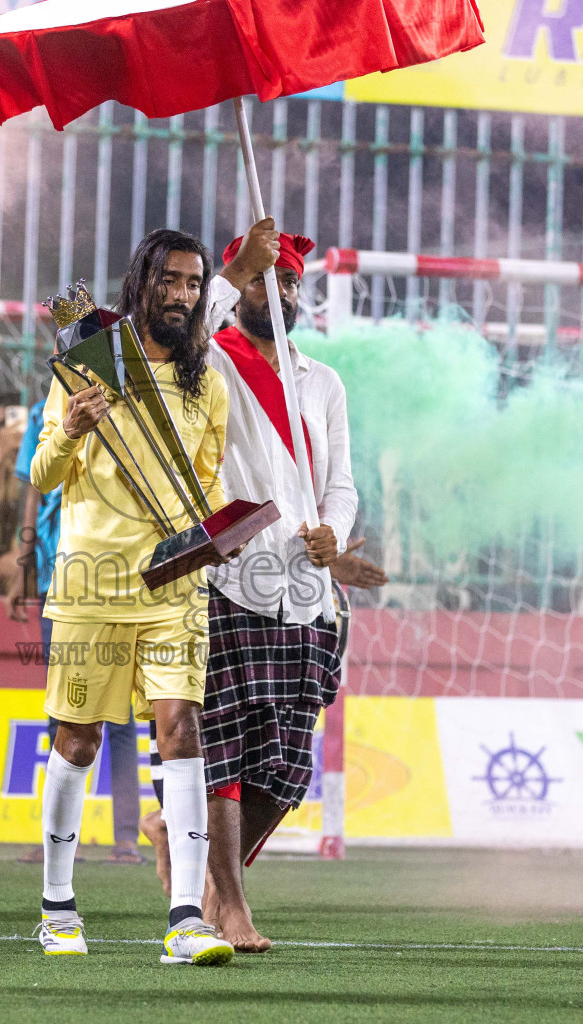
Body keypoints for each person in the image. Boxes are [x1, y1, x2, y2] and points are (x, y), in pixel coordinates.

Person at [30, 229, 236, 966]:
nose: (182, 296)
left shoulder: (204, 381)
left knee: (181, 731)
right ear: (141, 281)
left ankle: (186, 917)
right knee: (78, 740)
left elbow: (208, 481)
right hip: (92, 581)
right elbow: (41, 475)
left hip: (177, 582)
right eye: (171, 281)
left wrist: (220, 534)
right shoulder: (88, 366)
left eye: (194, 284)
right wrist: (74, 428)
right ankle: (57, 907)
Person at [168, 221, 360, 952]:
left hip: (304, 587)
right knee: (224, 748)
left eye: (284, 281)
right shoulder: (205, 362)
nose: (273, 291)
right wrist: (234, 268)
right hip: (230, 580)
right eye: (259, 279)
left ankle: (213, 882)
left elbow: (341, 485)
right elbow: (184, 329)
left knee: (284, 766)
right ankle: (232, 904)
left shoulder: (324, 382)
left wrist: (334, 533)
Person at [9, 397, 146, 867]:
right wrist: (25, 560)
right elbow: (34, 483)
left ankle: (126, 836)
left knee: (120, 715)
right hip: (57, 574)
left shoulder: (131, 391)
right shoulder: (42, 409)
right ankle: (62, 836)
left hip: (116, 571)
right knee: (62, 713)